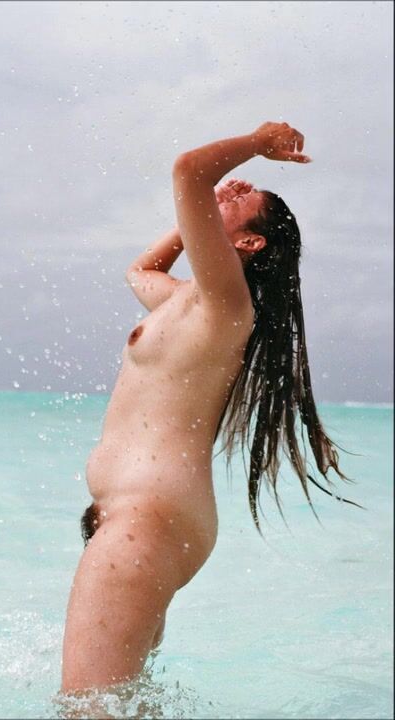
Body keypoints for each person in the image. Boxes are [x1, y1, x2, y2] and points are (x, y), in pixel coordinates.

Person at [61, 121, 359, 694]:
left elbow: (189, 171)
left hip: (145, 521)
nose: (231, 190)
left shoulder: (227, 305)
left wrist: (257, 144)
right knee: (119, 703)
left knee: (85, 706)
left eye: (245, 200)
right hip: (149, 521)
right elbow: (140, 271)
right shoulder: (188, 302)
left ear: (250, 244)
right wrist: (208, 211)